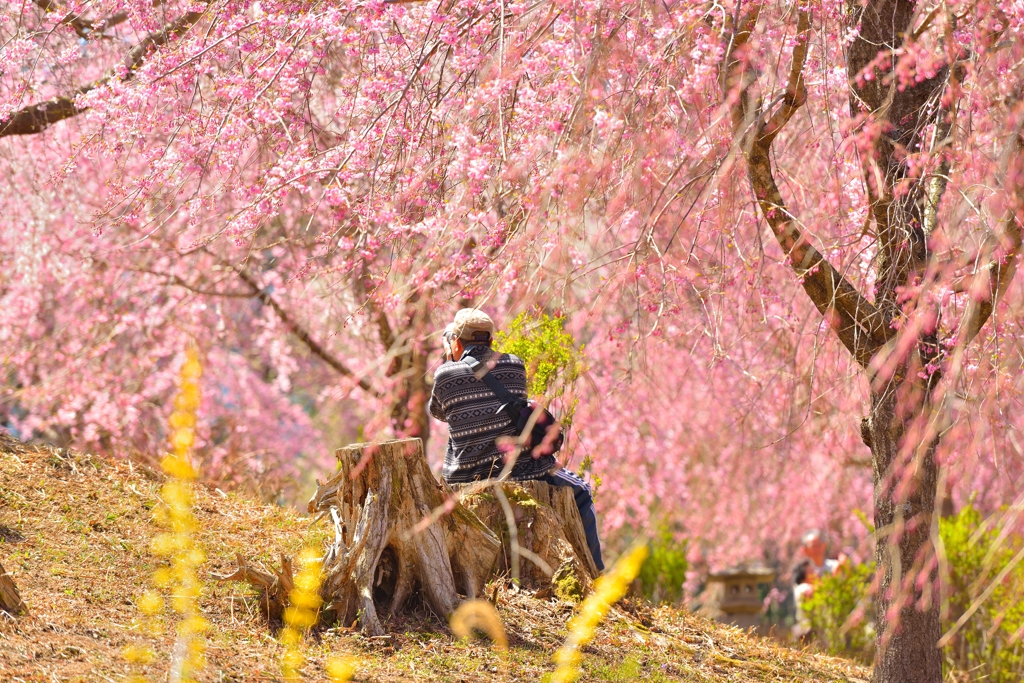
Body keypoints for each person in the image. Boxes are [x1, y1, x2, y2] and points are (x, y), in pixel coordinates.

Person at [428, 308, 604, 572]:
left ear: (456, 340)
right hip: (519, 470)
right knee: (581, 490)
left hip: (465, 475)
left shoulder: (444, 374)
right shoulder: (514, 365)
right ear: (489, 339)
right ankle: (596, 572)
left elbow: (438, 412)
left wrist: (450, 360)